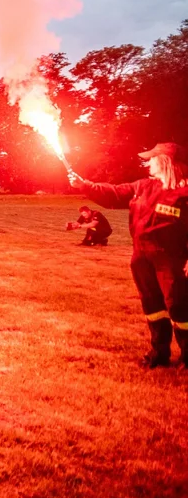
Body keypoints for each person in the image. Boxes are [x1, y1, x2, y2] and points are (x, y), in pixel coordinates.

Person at [70, 143, 188, 368]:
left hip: (171, 259)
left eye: (152, 159)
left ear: (165, 161)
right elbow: (113, 194)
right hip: (141, 256)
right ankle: (159, 352)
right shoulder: (142, 187)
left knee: (179, 305)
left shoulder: (185, 192)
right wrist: (84, 185)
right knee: (153, 305)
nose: (148, 162)